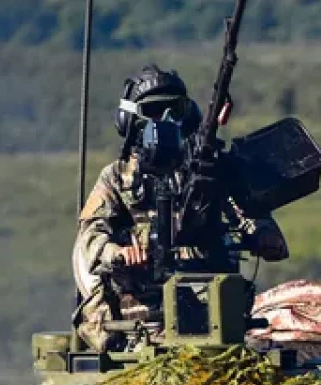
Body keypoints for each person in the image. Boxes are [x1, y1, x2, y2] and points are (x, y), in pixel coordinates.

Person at [72, 64, 288, 351]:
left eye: (175, 111)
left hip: (213, 316)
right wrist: (119, 253)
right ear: (130, 120)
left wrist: (257, 232)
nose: (165, 121)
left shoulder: (206, 174)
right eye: (153, 112)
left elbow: (265, 234)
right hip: (140, 321)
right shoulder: (116, 178)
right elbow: (88, 240)